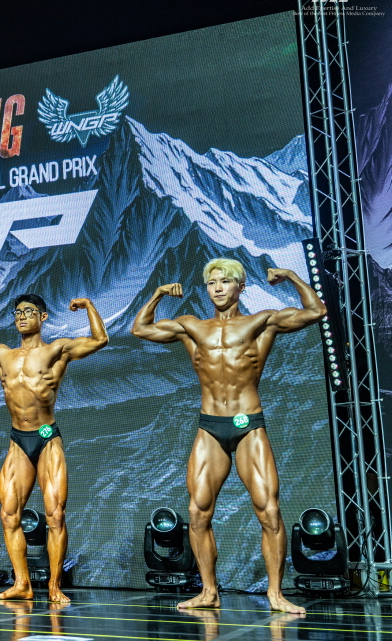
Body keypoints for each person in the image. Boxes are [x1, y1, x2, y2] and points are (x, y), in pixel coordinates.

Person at [132, 258, 325, 614]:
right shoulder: (192, 327)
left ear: (241, 286)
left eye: (225, 281)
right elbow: (140, 329)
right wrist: (158, 294)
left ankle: (276, 593)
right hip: (210, 426)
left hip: (248, 423)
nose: (218, 288)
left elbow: (316, 311)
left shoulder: (260, 322)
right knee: (198, 512)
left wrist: (291, 276)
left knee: (269, 511)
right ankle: (209, 591)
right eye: (212, 282)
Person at [0, 295, 107, 604]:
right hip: (18, 442)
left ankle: (54, 586)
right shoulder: (1, 354)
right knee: (9, 515)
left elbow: (99, 340)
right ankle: (22, 583)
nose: (21, 317)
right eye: (17, 312)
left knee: (55, 515)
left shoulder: (56, 350)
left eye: (28, 312)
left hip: (47, 439)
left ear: (43, 317)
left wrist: (89, 307)